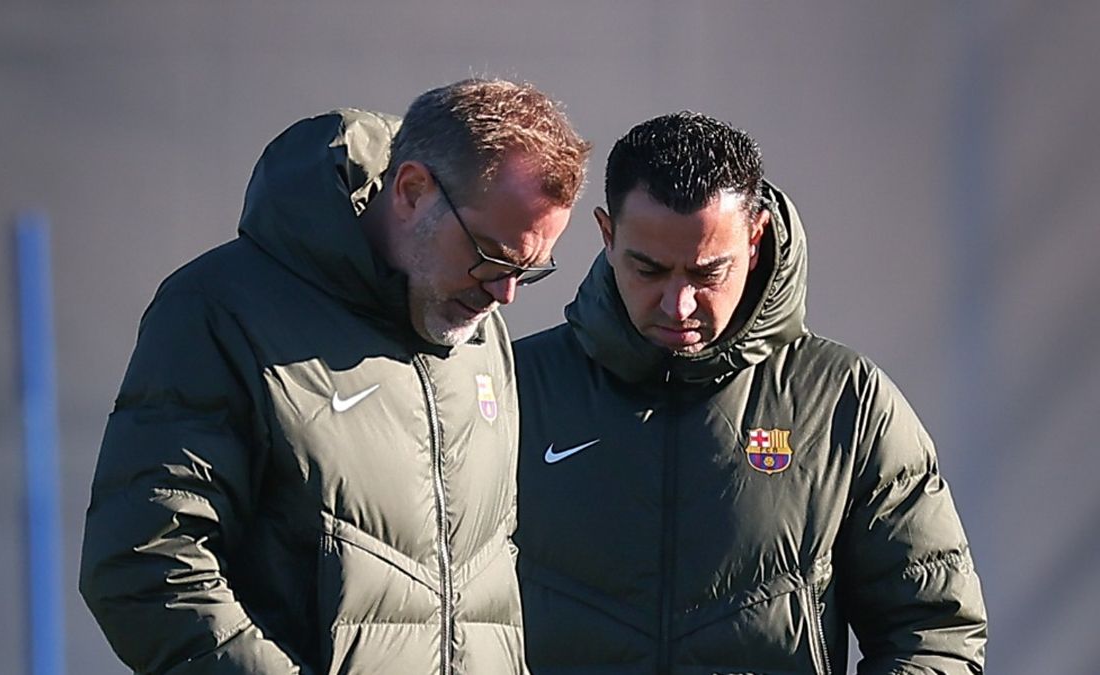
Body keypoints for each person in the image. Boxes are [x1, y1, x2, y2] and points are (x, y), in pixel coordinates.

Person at [79, 78, 590, 675]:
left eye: (529, 271)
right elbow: (145, 564)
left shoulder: (479, 329)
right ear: (412, 190)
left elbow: (484, 581)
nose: (504, 294)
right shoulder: (220, 310)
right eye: (492, 255)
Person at [513, 112, 986, 674]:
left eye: (708, 273)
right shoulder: (514, 387)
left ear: (755, 239)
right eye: (650, 269)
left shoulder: (844, 400)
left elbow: (934, 630)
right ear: (608, 235)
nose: (678, 305)